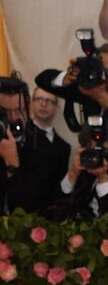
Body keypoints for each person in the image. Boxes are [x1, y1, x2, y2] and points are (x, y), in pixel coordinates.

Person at [36, 43, 108, 162]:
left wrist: (103, 98)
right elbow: (42, 79)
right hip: (93, 163)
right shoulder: (91, 88)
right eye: (104, 73)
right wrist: (69, 77)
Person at [0, 79, 69, 214]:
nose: (13, 118)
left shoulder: (45, 147)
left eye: (19, 110)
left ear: (28, 108)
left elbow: (29, 207)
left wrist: (12, 165)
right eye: (5, 112)